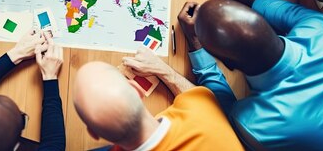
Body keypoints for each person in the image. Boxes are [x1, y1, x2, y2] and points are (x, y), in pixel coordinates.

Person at [177, 0, 323, 149]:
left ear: (229, 64)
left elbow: (220, 113)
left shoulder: (255, 123)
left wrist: (196, 45)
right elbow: (289, 12)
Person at [73, 60, 243, 150]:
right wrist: (161, 69)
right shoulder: (202, 112)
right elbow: (197, 96)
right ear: (137, 90)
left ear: (93, 133)